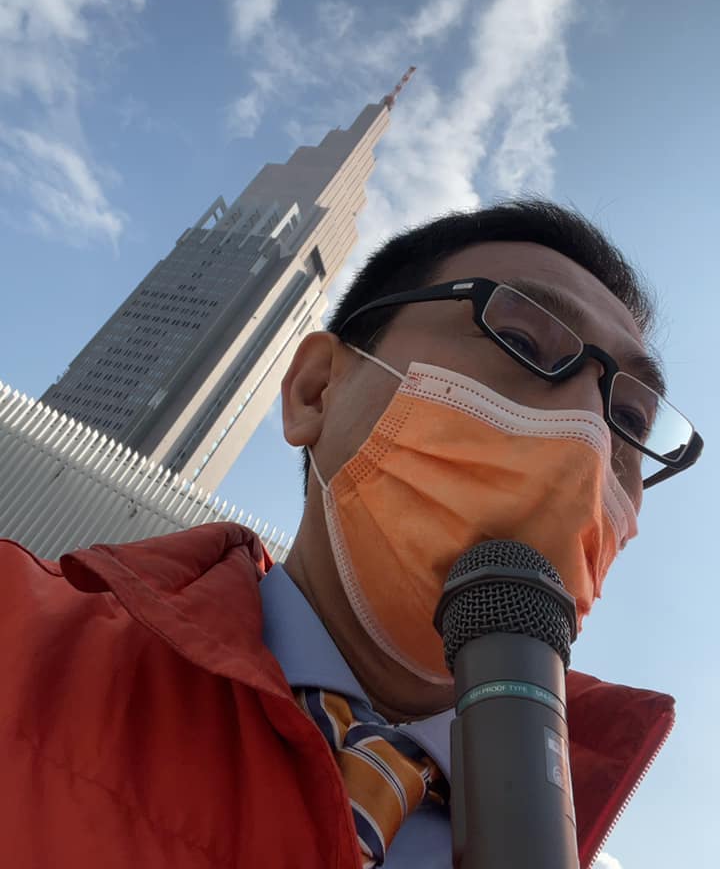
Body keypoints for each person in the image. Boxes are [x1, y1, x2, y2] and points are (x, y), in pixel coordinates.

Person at [0, 201, 703, 868]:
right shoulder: (21, 643)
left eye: (630, 421)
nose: (589, 431)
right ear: (316, 391)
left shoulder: (562, 837)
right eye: (520, 342)